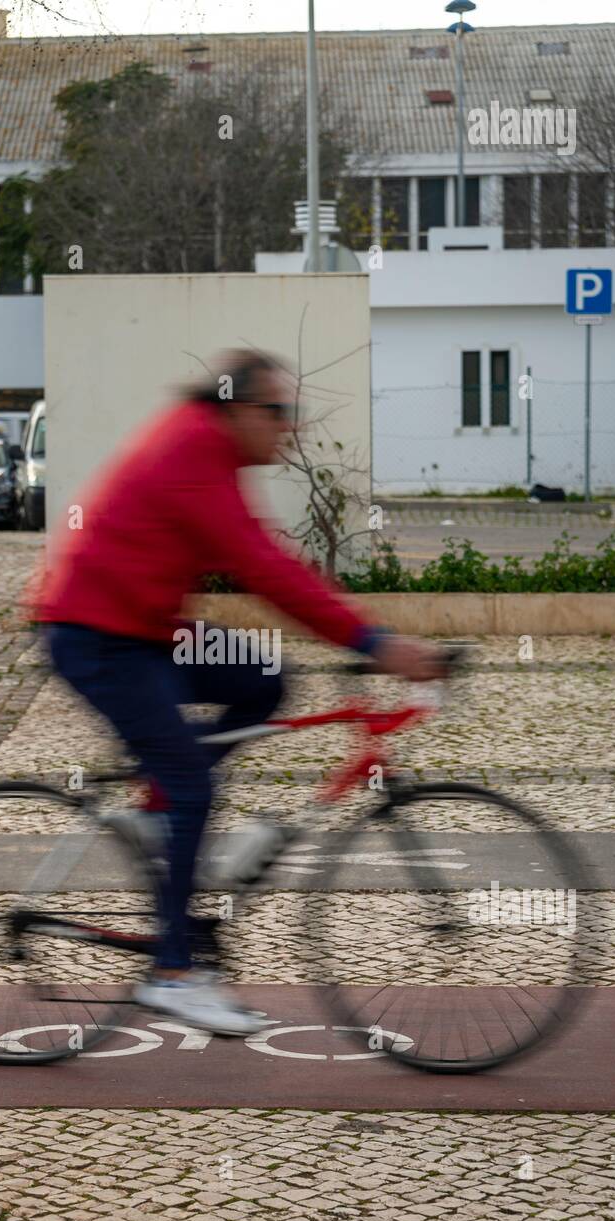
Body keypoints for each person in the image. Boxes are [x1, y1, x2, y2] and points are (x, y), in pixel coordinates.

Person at [37, 350, 447, 1034]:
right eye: (277, 412)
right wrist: (376, 645)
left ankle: (157, 804)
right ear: (234, 408)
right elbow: (262, 570)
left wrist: (364, 631)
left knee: (264, 678)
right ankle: (172, 973)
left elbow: (269, 554)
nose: (289, 426)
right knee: (195, 786)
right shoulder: (193, 449)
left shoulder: (211, 453)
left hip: (141, 629)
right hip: (93, 634)